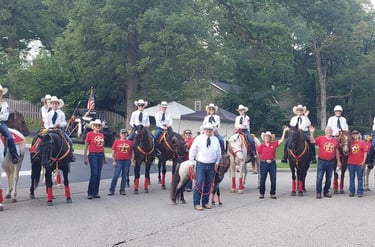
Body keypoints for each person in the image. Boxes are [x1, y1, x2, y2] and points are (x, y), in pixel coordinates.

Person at [189, 123, 221, 211]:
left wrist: (217, 162)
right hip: (201, 164)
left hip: (211, 165)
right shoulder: (199, 138)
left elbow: (218, 152)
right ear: (204, 130)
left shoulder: (215, 139)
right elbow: (192, 150)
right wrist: (191, 162)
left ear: (212, 131)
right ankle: (196, 203)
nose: (208, 131)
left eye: (210, 130)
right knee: (199, 183)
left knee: (208, 184)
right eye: (207, 129)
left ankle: (205, 202)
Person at [309, 126, 341, 199]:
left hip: (331, 161)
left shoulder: (335, 140)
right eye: (327, 130)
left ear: (332, 132)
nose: (329, 132)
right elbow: (312, 141)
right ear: (325, 131)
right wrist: (311, 133)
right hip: (322, 161)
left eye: (330, 130)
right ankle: (318, 192)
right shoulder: (321, 138)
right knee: (319, 177)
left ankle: (326, 191)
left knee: (329, 178)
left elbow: (336, 151)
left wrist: (338, 161)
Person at [258, 127, 288, 199]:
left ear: (270, 138)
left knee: (273, 178)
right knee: (262, 179)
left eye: (268, 137)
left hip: (272, 163)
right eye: (266, 137)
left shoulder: (274, 144)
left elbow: (281, 140)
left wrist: (284, 132)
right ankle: (262, 193)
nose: (267, 138)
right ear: (264, 138)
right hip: (264, 163)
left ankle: (273, 193)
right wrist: (262, 160)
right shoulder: (261, 146)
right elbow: (259, 154)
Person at [44, 96, 75, 161]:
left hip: (59, 130)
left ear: (58, 105)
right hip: (50, 130)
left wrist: (60, 124)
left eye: (56, 104)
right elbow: (46, 123)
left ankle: (71, 154)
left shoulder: (61, 114)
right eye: (53, 104)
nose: (54, 105)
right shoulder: (48, 114)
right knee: (42, 140)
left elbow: (64, 123)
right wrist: (48, 128)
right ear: (51, 105)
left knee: (69, 140)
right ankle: (39, 151)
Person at [84, 119, 107, 199]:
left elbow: (102, 147)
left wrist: (104, 157)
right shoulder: (89, 134)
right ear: (93, 126)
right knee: (94, 173)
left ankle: (95, 192)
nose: (97, 127)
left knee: (98, 174)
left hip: (100, 154)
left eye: (99, 126)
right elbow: (86, 146)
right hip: (93, 154)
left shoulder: (101, 135)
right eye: (96, 125)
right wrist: (85, 157)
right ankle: (90, 192)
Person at [108, 129, 133, 196]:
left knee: (124, 176)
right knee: (116, 175)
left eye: (125, 133)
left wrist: (132, 161)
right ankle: (111, 190)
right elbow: (113, 152)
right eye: (122, 133)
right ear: (120, 134)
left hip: (127, 160)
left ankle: (122, 190)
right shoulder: (116, 142)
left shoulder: (130, 142)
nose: (123, 135)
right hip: (119, 160)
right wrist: (113, 161)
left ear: (127, 134)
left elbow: (132, 152)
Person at [0, 85, 20, 164]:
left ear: (1, 94)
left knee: (9, 137)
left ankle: (14, 156)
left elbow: (5, 117)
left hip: (1, 123)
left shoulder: (5, 104)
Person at [347, 130, 368, 197]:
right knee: (351, 177)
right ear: (352, 136)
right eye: (353, 134)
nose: (355, 135)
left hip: (359, 162)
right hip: (351, 162)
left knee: (360, 178)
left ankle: (360, 191)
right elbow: (346, 151)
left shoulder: (362, 143)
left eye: (356, 134)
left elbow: (365, 152)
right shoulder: (350, 143)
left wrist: (364, 162)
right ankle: (352, 191)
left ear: (359, 135)